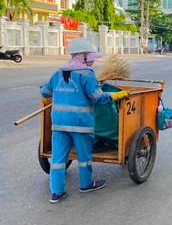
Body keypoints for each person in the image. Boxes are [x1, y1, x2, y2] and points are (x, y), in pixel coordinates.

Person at [40, 38, 130, 203]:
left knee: (58, 159)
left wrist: (46, 88)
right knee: (84, 156)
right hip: (80, 123)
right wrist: (115, 95)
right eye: (91, 55)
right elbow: (98, 98)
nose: (93, 59)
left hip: (59, 124)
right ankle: (86, 184)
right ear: (83, 55)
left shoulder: (58, 72)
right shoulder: (86, 74)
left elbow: (45, 93)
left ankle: (57, 192)